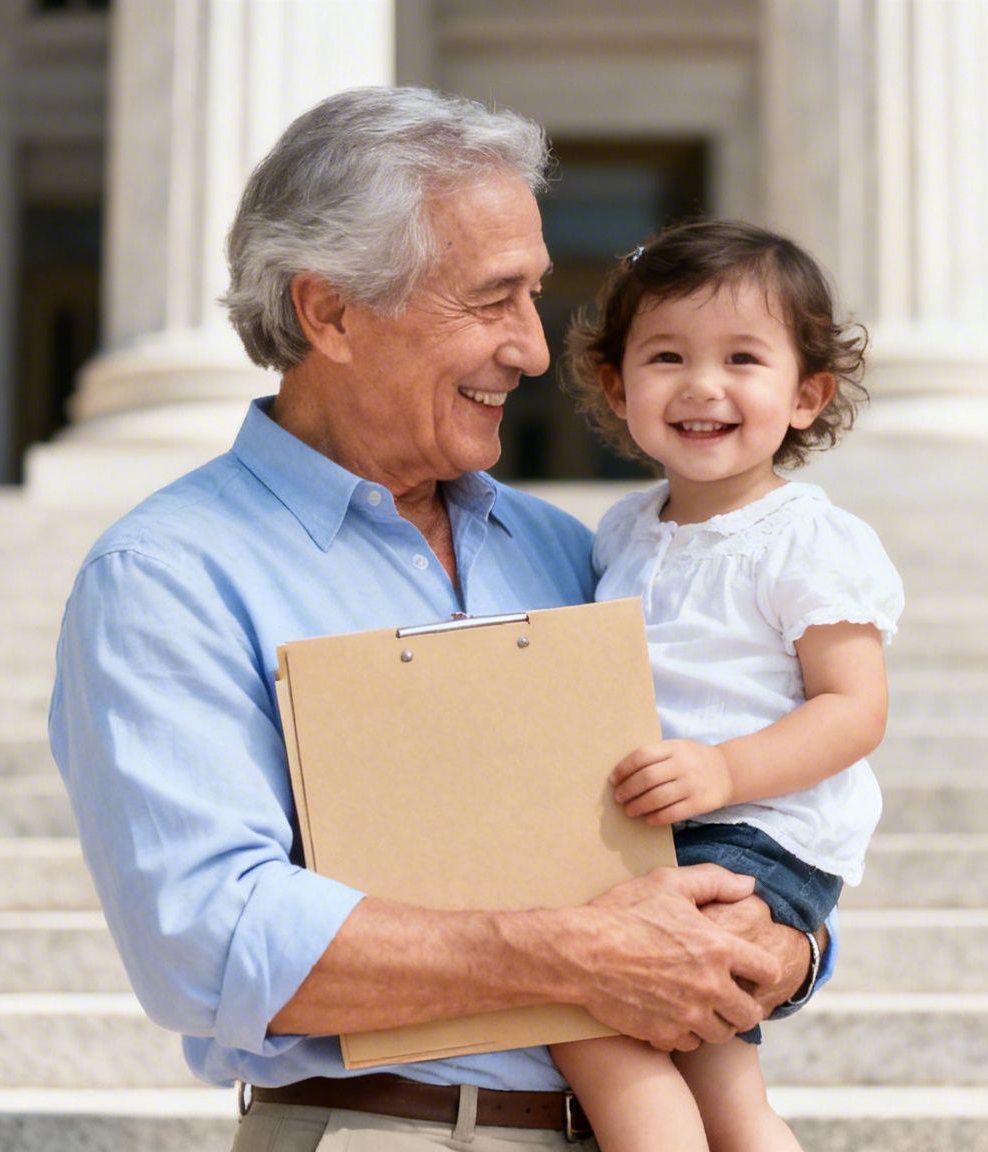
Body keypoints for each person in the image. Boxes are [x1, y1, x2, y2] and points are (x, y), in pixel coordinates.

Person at [48, 87, 827, 1152]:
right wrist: (571, 955)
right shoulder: (167, 575)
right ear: (329, 313)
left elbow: (736, 785)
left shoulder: (571, 552)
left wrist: (785, 936)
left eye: (533, 296)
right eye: (492, 299)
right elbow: (208, 939)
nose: (535, 351)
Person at [547, 220, 900, 1152]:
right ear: (619, 389)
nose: (703, 385)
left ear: (806, 394)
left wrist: (725, 771)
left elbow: (854, 708)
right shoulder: (621, 531)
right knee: (722, 1084)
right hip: (657, 824)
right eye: (667, 357)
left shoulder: (807, 539)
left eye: (743, 358)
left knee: (594, 1027)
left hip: (755, 829)